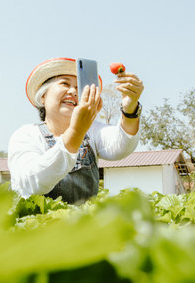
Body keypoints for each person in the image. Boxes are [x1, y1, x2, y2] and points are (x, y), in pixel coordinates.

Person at [8, 57, 144, 204]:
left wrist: (130, 109)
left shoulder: (91, 131)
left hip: (82, 225)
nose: (73, 91)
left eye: (79, 88)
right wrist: (76, 132)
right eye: (64, 83)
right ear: (43, 96)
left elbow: (121, 145)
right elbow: (32, 182)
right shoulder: (26, 135)